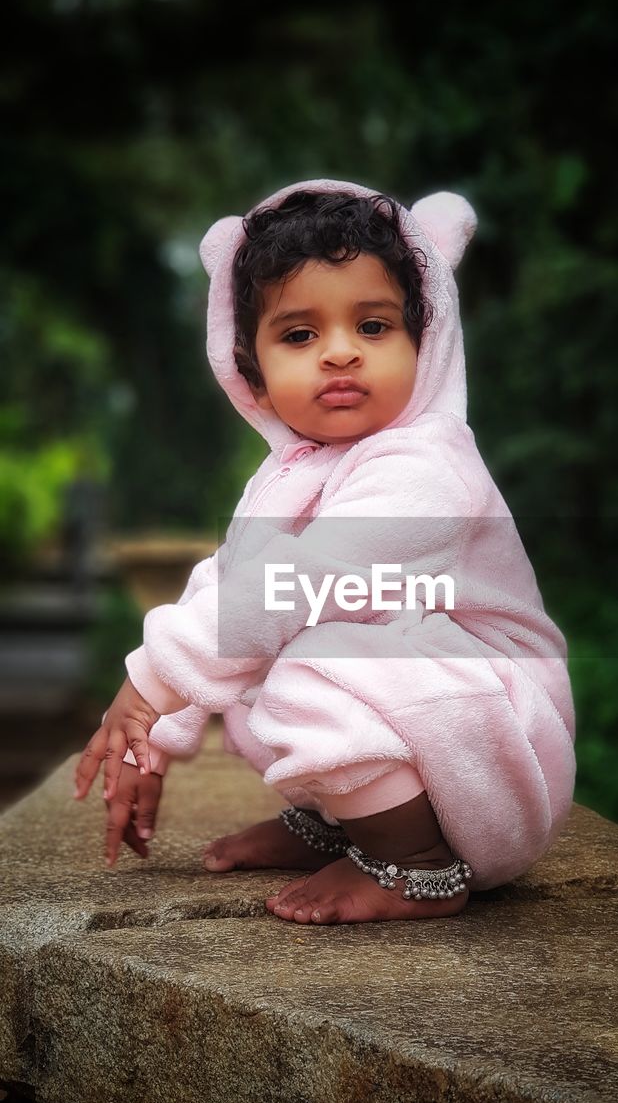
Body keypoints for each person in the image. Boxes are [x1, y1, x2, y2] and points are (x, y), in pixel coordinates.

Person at [74, 178, 576, 925]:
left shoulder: (426, 466)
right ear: (255, 376)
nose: (340, 353)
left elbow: (303, 580)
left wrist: (153, 682)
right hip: (437, 721)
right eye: (301, 335)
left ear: (424, 341)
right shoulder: (294, 474)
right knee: (266, 651)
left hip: (499, 750)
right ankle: (341, 826)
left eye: (373, 328)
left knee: (307, 654)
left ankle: (416, 865)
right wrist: (159, 735)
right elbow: (229, 586)